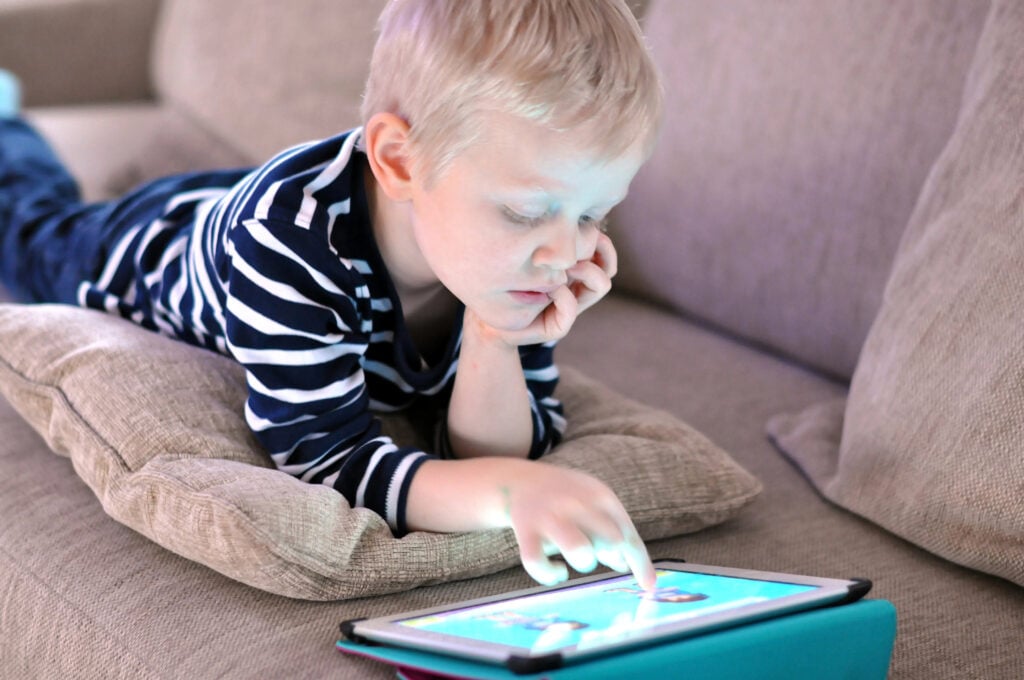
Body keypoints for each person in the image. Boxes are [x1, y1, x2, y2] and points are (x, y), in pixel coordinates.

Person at [0, 0, 663, 589]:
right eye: (524, 212)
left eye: (593, 214)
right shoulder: (287, 247)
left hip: (277, 203)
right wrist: (509, 494)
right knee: (28, 226)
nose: (567, 254)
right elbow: (330, 461)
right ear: (399, 161)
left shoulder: (514, 258)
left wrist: (497, 336)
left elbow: (493, 456)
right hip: (146, 250)